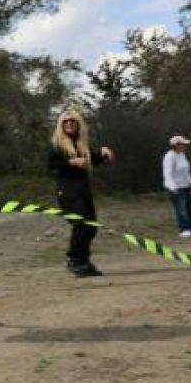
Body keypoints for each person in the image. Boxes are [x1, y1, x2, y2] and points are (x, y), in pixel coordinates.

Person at [47, 109, 114, 278]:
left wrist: (103, 154)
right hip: (67, 190)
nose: (69, 123)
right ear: (61, 125)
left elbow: (91, 159)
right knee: (81, 224)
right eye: (65, 121)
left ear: (78, 124)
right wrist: (71, 162)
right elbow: (51, 165)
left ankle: (84, 261)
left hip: (82, 189)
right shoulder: (57, 144)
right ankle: (74, 259)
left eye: (72, 121)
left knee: (91, 226)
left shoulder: (80, 144)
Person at [163, 135, 191, 238]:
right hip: (175, 187)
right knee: (181, 209)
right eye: (183, 144)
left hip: (186, 186)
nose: (185, 146)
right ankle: (184, 229)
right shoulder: (169, 157)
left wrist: (190, 181)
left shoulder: (182, 155)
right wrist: (173, 187)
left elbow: (186, 170)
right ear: (176, 145)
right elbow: (167, 173)